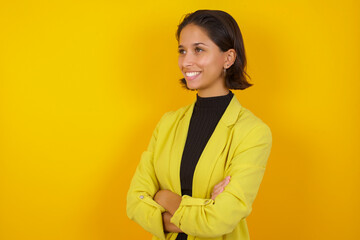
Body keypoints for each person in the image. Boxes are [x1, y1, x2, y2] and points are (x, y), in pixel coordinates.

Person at [126, 9, 272, 240]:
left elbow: (220, 221)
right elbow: (135, 203)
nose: (186, 61)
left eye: (199, 50)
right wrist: (206, 207)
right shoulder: (168, 124)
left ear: (228, 58)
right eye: (182, 51)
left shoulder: (253, 132)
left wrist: (164, 198)